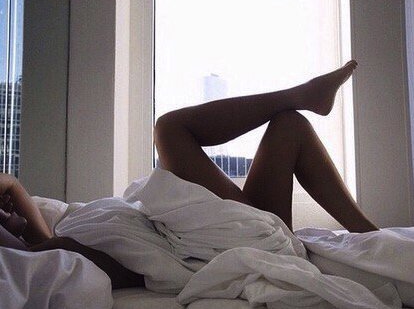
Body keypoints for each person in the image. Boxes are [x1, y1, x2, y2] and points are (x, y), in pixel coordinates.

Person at [0, 60, 378, 290]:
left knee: (289, 127)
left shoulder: (55, 237)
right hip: (210, 245)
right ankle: (302, 94)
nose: (9, 208)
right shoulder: (48, 255)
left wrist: (10, 196)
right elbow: (39, 243)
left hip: (230, 235)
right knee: (169, 129)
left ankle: (369, 233)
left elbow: (12, 184)